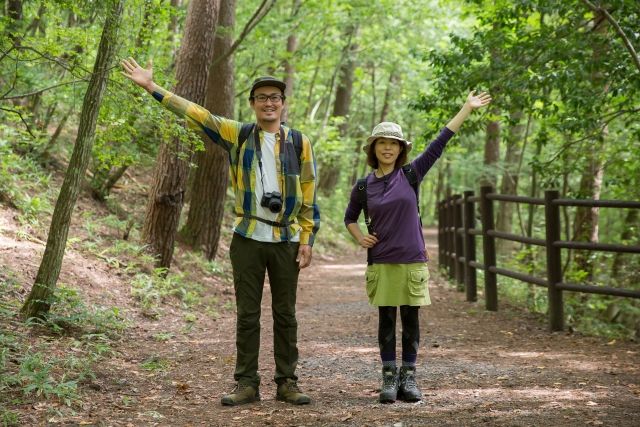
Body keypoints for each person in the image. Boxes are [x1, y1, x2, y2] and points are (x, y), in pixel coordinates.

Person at [121, 58, 320, 406]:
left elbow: (308, 193)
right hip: (246, 238)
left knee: (286, 315)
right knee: (247, 314)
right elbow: (198, 115)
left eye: (275, 97)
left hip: (286, 239)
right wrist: (153, 88)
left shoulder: (299, 143)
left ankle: (287, 382)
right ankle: (246, 383)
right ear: (253, 103)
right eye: (261, 97)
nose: (269, 102)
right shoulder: (238, 134)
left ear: (283, 103)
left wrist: (307, 239)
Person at [344, 91, 491, 403]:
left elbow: (441, 142)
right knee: (386, 321)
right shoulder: (363, 186)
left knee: (411, 320)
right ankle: (387, 379)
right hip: (381, 261)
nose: (387, 148)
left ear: (400, 149)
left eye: (393, 143)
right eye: (382, 143)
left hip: (412, 260)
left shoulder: (411, 174)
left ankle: (408, 379)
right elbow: (349, 218)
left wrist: (466, 107)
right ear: (373, 148)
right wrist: (359, 237)